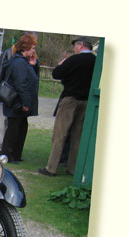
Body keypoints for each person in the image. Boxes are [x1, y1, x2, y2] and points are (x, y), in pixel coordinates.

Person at [39, 36, 96, 177]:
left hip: (70, 99)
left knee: (60, 134)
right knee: (77, 136)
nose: (74, 48)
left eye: (75, 45)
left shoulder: (74, 59)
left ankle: (51, 168)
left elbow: (56, 74)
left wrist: (61, 64)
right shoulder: (95, 61)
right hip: (86, 100)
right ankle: (73, 168)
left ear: (81, 45)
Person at [0, 33, 40, 157]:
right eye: (33, 46)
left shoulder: (25, 61)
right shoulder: (10, 55)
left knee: (13, 124)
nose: (34, 50)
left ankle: (8, 150)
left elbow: (31, 78)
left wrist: (33, 66)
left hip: (14, 95)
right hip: (6, 94)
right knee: (3, 123)